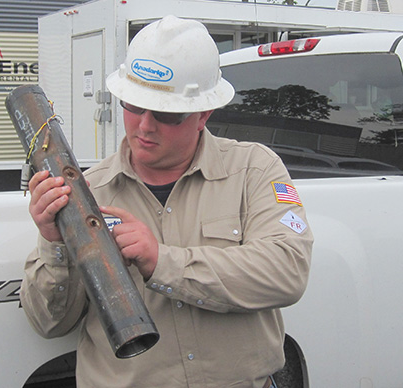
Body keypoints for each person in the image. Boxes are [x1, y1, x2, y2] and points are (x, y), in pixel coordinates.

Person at [20, 15, 313, 388]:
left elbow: (287, 272)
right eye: (133, 105)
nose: (144, 125)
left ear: (203, 113)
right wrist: (54, 243)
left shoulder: (254, 169)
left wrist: (162, 261)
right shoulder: (86, 193)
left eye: (165, 114)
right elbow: (50, 323)